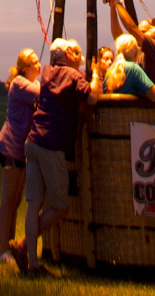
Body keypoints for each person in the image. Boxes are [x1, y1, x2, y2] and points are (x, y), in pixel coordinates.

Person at [9, 39, 101, 276]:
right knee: (59, 207)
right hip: (52, 145)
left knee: (34, 203)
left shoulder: (47, 72)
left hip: (33, 141)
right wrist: (97, 75)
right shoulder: (73, 75)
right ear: (67, 54)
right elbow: (91, 97)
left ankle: (32, 265)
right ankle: (22, 246)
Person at [0, 48, 41, 263]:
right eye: (34, 62)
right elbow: (44, 94)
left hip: (20, 150)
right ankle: (3, 250)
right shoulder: (20, 84)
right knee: (9, 199)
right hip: (11, 147)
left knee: (15, 201)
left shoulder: (30, 85)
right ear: (24, 67)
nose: (39, 64)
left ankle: (10, 246)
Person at [107, 0, 155, 90]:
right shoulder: (139, 52)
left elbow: (131, 28)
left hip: (143, 103)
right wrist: (113, 7)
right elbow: (118, 37)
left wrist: (118, 0)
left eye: (154, 27)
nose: (150, 27)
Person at [107, 35, 155, 102]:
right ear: (135, 51)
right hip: (131, 111)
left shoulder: (109, 70)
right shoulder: (133, 69)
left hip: (111, 112)